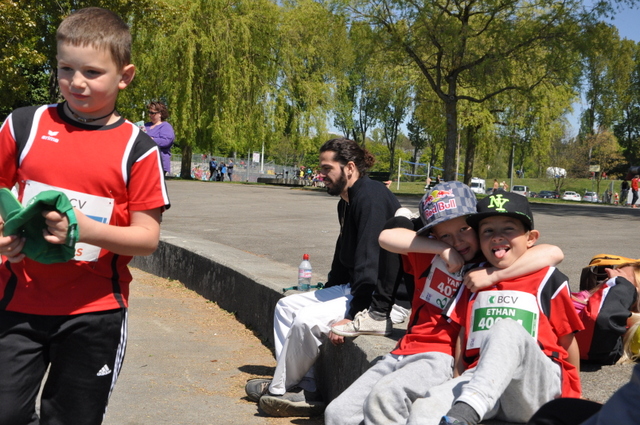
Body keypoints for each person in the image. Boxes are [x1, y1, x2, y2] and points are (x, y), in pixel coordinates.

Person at [0, 7, 169, 425]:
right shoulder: (24, 124)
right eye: (65, 69)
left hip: (94, 313)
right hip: (15, 302)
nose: (76, 82)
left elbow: (147, 238)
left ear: (124, 76)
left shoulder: (138, 148)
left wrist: (85, 229)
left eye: (92, 72)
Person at [324, 182, 564, 425]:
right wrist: (442, 249)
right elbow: (386, 237)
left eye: (464, 229)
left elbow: (553, 253)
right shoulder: (431, 253)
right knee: (338, 414)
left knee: (387, 396)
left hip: (440, 356)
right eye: (445, 235)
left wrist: (494, 275)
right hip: (402, 351)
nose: (457, 241)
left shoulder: (486, 262)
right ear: (434, 236)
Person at [244, 138, 402, 417]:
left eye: (327, 168)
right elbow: (343, 258)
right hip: (355, 287)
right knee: (286, 307)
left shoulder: (371, 197)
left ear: (349, 167)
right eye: (321, 168)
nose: (321, 175)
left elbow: (371, 263)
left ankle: (281, 391)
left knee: (306, 320)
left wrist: (352, 316)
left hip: (383, 299)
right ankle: (302, 384)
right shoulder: (347, 201)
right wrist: (329, 290)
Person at [407, 192, 583, 425]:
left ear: (531, 238)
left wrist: (574, 395)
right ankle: (467, 407)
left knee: (506, 329)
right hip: (481, 378)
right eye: (488, 231)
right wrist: (457, 379)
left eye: (508, 229)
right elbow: (464, 335)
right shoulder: (473, 279)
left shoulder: (547, 277)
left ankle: (469, 408)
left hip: (534, 383)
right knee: (424, 409)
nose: (497, 237)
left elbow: (567, 339)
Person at [144, 101, 175, 176]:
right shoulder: (146, 125)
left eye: (153, 113)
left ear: (160, 114)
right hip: (145, 162)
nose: (150, 115)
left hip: (158, 162)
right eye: (149, 112)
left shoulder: (166, 126)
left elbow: (166, 141)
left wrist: (152, 140)